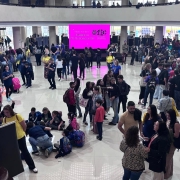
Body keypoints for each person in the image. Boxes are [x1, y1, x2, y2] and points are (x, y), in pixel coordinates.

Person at [2, 105, 38, 173]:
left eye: (7, 112)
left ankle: (32, 166)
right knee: (14, 154)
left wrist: (22, 133)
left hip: (20, 137)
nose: (6, 114)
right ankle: (16, 168)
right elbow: (5, 128)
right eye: (4, 113)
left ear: (10, 111)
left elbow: (24, 126)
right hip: (11, 139)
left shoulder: (17, 116)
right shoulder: (5, 119)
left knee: (25, 152)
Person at [165, 109, 180, 179]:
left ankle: (166, 174)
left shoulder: (176, 123)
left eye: (169, 115)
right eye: (167, 115)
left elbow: (176, 135)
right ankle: (170, 172)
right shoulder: (169, 121)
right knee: (170, 158)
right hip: (168, 142)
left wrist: (168, 133)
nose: (167, 117)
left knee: (168, 158)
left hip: (172, 143)